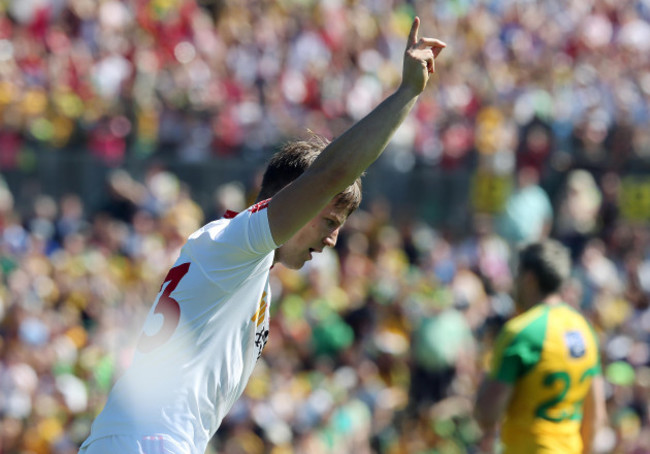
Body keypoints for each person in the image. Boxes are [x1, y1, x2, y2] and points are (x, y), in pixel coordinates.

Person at [79, 17, 446, 454]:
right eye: (328, 222)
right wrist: (407, 94)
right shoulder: (237, 243)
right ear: (295, 200)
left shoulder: (245, 268)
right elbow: (333, 173)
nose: (332, 241)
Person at [474, 240, 607, 453]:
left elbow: (487, 415)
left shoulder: (520, 332)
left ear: (529, 279)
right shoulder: (584, 329)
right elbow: (596, 415)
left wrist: (486, 376)